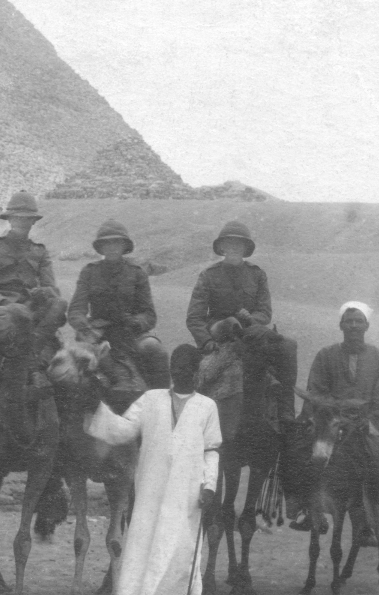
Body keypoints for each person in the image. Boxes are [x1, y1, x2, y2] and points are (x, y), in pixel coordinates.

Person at [87, 343, 222, 595]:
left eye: (183, 368)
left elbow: (210, 451)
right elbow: (122, 429)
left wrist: (209, 486)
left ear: (195, 371)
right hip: (151, 492)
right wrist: (98, 406)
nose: (176, 373)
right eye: (174, 367)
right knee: (142, 550)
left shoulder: (207, 407)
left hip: (187, 495)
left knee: (179, 552)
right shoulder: (150, 399)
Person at [302, 301, 379, 544]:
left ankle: (368, 520)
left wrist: (367, 415)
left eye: (359, 321)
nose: (354, 326)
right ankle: (309, 511)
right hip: (331, 421)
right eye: (349, 321)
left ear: (367, 326)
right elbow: (317, 389)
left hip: (367, 421)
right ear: (341, 325)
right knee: (315, 455)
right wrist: (334, 410)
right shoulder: (326, 355)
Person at [186, 221, 297, 424]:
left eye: (240, 244)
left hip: (251, 332)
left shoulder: (257, 275)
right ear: (221, 248)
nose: (234, 248)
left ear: (246, 249)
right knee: (229, 324)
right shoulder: (208, 276)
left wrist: (252, 318)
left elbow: (265, 312)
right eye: (229, 244)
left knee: (289, 345)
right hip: (220, 330)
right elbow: (194, 317)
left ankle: (286, 409)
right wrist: (205, 342)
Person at [68, 219, 169, 390]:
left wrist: (135, 322)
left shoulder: (137, 273)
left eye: (117, 242)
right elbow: (76, 310)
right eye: (107, 243)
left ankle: (162, 401)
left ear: (124, 246)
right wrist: (86, 328)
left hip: (131, 333)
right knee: (78, 363)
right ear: (100, 247)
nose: (112, 247)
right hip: (98, 332)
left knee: (154, 349)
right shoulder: (89, 272)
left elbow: (149, 314)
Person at [0, 190, 64, 349]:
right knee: (0, 320)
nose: (22, 222)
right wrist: (7, 303)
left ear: (33, 221)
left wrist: (42, 293)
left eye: (27, 218)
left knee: (59, 305)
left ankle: (34, 347)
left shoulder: (40, 252)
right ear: (9, 219)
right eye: (17, 217)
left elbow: (52, 289)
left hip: (30, 308)